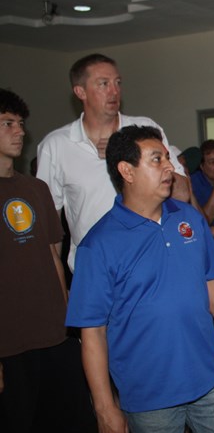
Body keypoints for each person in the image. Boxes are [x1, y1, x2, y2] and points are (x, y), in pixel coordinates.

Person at [65, 125, 214, 433]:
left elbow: (208, 279)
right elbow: (93, 333)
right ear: (127, 170)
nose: (169, 167)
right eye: (157, 159)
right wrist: (105, 407)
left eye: (167, 159)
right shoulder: (99, 245)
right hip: (149, 393)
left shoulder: (188, 218)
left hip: (209, 377)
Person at [0, 89, 92, 433]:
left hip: (52, 336)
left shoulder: (35, 188)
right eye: (7, 123)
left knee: (51, 430)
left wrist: (67, 321)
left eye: (20, 123)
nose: (19, 131)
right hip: (8, 343)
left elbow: (53, 255)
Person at [36, 53, 190, 271]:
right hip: (94, 268)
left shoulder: (145, 130)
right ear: (80, 92)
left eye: (117, 82)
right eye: (104, 84)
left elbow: (182, 194)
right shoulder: (56, 145)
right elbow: (49, 226)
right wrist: (57, 284)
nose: (114, 91)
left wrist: (126, 151)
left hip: (153, 262)